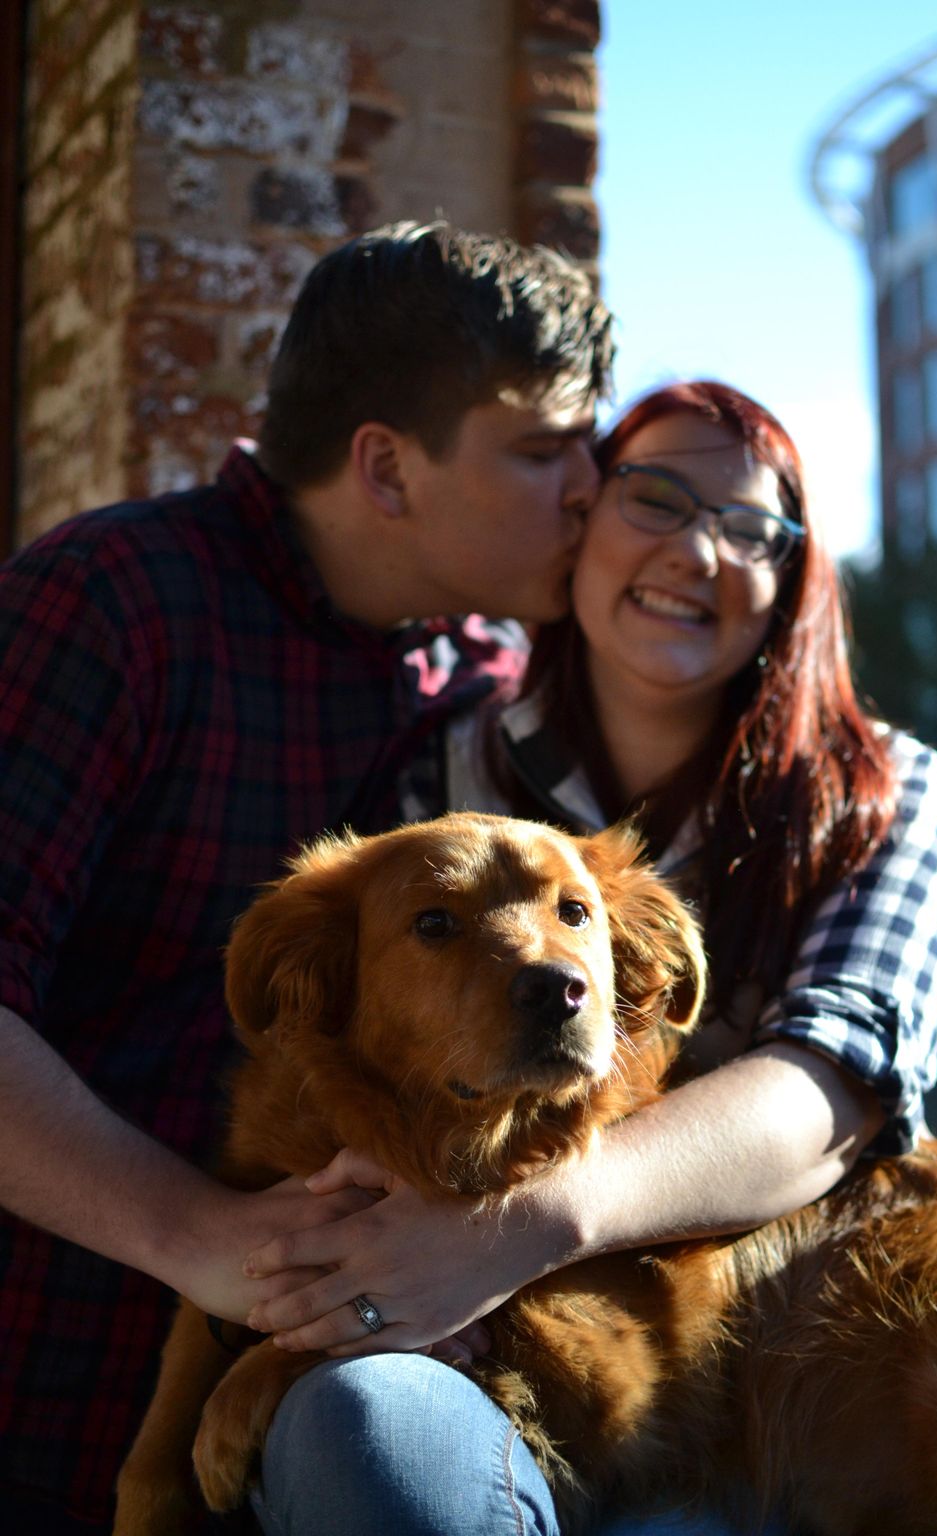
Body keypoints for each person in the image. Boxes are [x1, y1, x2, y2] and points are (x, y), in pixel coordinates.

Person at [239, 381, 937, 1535]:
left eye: (748, 528)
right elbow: (351, 1073)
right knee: (359, 1427)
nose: (696, 550)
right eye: (657, 498)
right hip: (492, 1348)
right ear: (582, 522)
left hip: (792, 1341)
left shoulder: (881, 793)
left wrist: (507, 1232)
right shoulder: (443, 772)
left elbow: (837, 1081)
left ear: (790, 581)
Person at [0, 221, 613, 1532]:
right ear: (386, 468)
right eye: (542, 446)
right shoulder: (107, 607)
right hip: (48, 1385)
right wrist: (202, 1239)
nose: (591, 486)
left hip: (324, 1411)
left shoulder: (480, 686)